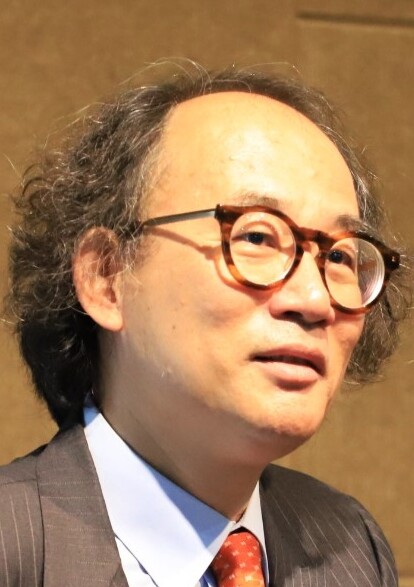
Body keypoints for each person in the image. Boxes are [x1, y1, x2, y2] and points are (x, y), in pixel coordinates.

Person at [0, 63, 410, 587]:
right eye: (256, 237)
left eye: (340, 257)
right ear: (106, 277)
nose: (314, 300)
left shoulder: (351, 547)